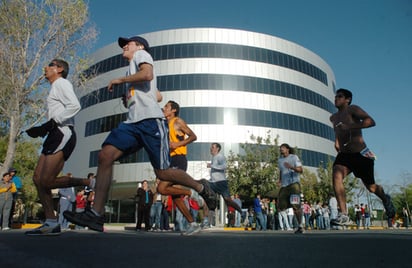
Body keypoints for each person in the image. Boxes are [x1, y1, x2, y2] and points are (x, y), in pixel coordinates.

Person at [63, 36, 216, 233]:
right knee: (105, 155)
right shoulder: (131, 67)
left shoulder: (142, 55)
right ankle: (96, 214)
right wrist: (131, 92)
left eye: (129, 43)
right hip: (132, 124)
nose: (125, 46)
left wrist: (122, 80)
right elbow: (158, 95)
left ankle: (202, 188)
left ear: (140, 46)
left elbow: (147, 74)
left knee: (162, 173)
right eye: (123, 44)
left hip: (150, 122)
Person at [24, 59, 94, 236]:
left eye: (50, 65)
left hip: (63, 133)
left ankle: (88, 182)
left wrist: (48, 125)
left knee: (47, 180)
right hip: (53, 134)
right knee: (38, 178)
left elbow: (75, 106)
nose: (45, 68)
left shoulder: (61, 83)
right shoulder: (54, 87)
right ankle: (50, 222)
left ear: (60, 69)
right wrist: (45, 127)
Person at [330, 88, 395, 225]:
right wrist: (337, 143)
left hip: (361, 154)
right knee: (336, 174)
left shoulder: (352, 109)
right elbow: (338, 133)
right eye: (336, 96)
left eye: (340, 96)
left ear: (347, 99)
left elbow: (371, 121)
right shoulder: (333, 117)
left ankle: (385, 198)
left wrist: (351, 126)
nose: (336, 99)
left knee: (371, 188)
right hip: (345, 155)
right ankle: (344, 214)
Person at [157, 100, 203, 235]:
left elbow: (193, 136)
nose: (164, 108)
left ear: (173, 110)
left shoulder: (177, 121)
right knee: (175, 195)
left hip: (179, 159)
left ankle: (191, 192)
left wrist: (178, 144)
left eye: (166, 107)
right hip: (170, 161)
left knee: (162, 188)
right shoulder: (165, 124)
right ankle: (192, 224)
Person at [202, 143, 242, 228]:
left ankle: (239, 210)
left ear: (217, 149)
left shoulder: (220, 156)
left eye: (212, 147)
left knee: (228, 200)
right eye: (211, 147)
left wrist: (211, 165)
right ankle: (206, 221)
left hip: (221, 182)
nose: (211, 149)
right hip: (213, 183)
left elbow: (224, 166)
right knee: (206, 199)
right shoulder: (213, 158)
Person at [277, 143, 304, 234]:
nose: (281, 150)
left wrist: (291, 167)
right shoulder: (280, 160)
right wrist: (280, 180)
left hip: (294, 185)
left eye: (283, 148)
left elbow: (301, 170)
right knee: (280, 206)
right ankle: (293, 206)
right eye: (280, 148)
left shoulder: (294, 157)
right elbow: (281, 170)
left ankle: (300, 225)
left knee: (295, 205)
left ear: (288, 149)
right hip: (284, 186)